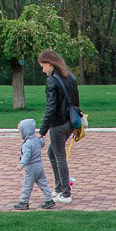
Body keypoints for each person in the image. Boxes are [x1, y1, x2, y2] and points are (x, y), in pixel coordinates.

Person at [37, 49, 81, 204]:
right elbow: (76, 101)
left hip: (58, 124)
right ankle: (59, 187)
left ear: (50, 64)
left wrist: (42, 131)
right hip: (71, 121)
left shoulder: (52, 81)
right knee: (52, 153)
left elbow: (51, 108)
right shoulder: (70, 77)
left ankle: (66, 192)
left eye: (43, 66)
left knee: (59, 156)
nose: (43, 70)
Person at [13, 118, 55, 210]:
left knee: (27, 185)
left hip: (31, 167)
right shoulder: (36, 140)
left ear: (26, 131)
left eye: (20, 131)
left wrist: (21, 164)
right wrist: (41, 137)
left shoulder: (27, 144)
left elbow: (26, 156)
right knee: (43, 183)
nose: (20, 134)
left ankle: (24, 202)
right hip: (39, 166)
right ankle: (49, 199)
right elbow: (42, 143)